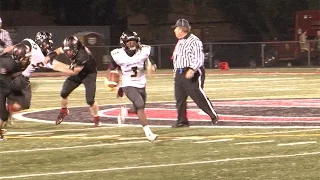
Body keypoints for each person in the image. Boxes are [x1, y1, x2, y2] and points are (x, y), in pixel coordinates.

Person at [108, 30, 158, 142]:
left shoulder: (143, 51)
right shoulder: (117, 54)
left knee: (139, 108)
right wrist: (113, 80)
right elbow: (111, 68)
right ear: (123, 43)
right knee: (140, 104)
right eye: (129, 42)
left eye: (133, 41)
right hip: (128, 84)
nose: (131, 44)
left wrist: (152, 66)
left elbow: (151, 62)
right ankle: (148, 133)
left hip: (141, 82)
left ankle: (125, 112)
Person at [43, 35, 101, 127]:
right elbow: (59, 50)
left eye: (70, 51)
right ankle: (64, 111)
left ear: (76, 48)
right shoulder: (69, 47)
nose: (68, 53)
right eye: (67, 51)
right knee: (64, 93)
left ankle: (96, 118)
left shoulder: (83, 55)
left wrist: (56, 66)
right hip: (78, 71)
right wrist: (50, 56)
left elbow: (74, 71)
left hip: (88, 74)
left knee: (90, 100)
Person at [171, 18, 219, 128]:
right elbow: (177, 58)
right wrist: (175, 71)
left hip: (191, 71)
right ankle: (182, 121)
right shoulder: (180, 42)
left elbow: (198, 58)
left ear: (181, 29)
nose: (174, 31)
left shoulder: (194, 41)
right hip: (180, 72)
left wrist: (192, 69)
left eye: (176, 28)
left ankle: (213, 116)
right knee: (180, 99)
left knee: (197, 96)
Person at [1, 32, 54, 127]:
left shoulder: (31, 44)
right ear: (41, 41)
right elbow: (55, 66)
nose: (48, 45)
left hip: (15, 77)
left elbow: (13, 48)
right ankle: (5, 112)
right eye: (47, 42)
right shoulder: (35, 51)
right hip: (18, 78)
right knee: (24, 103)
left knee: (19, 102)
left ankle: (5, 114)